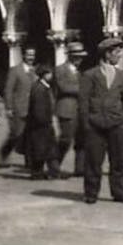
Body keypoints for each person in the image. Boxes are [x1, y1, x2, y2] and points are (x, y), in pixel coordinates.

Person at [80, 36, 123, 204]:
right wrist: (86, 124)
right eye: (116, 53)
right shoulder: (90, 75)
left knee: (119, 161)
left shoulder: (122, 75)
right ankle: (91, 193)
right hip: (95, 124)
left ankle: (119, 192)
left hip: (118, 124)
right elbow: (83, 101)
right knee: (94, 161)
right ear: (107, 54)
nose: (119, 56)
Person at [0, 46, 37, 165]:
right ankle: (4, 152)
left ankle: (29, 162)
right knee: (17, 134)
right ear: (23, 55)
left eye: (33, 55)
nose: (31, 58)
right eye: (29, 55)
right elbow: (8, 90)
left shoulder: (35, 71)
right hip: (19, 108)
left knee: (31, 136)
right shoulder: (15, 71)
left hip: (33, 108)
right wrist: (9, 107)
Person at [53, 41, 85, 177]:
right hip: (66, 109)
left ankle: (80, 168)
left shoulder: (79, 72)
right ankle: (54, 166)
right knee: (65, 139)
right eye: (77, 56)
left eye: (81, 56)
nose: (80, 59)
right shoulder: (60, 69)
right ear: (70, 56)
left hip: (80, 110)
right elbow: (63, 87)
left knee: (82, 140)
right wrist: (84, 90)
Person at [22, 63, 58, 179]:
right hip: (40, 125)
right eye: (50, 73)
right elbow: (38, 108)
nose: (52, 76)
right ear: (45, 75)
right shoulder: (39, 88)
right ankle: (40, 173)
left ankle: (45, 172)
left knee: (44, 149)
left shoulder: (44, 87)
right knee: (41, 149)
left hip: (43, 124)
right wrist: (45, 120)